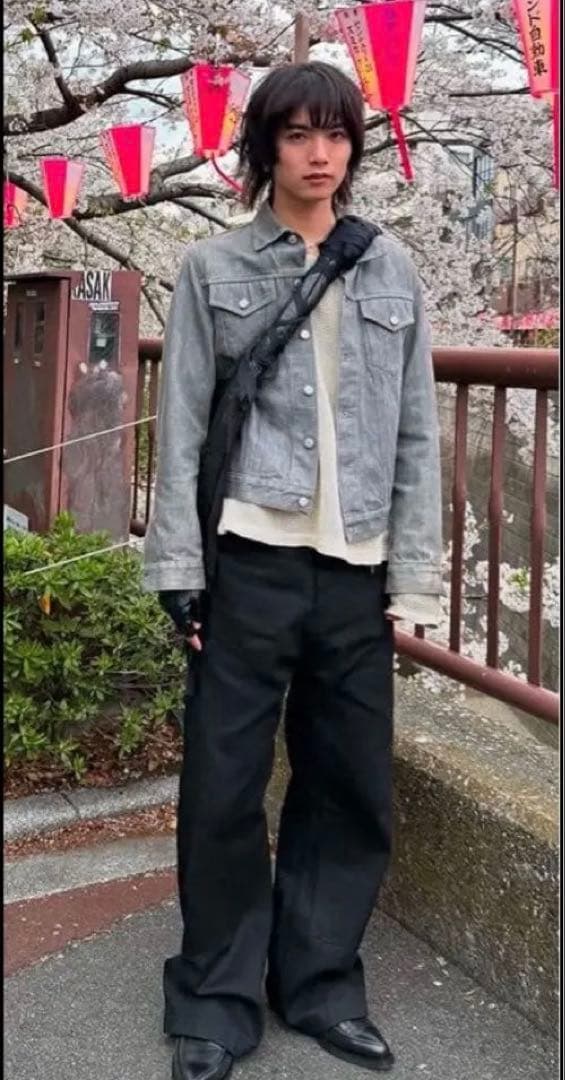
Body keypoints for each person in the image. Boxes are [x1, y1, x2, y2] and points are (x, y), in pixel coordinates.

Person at [144, 60, 443, 1080]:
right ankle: (215, 998)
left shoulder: (390, 268)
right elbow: (182, 427)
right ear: (264, 145)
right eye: (298, 134)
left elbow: (415, 434)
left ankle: (319, 984)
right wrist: (179, 568)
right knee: (223, 784)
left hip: (354, 567)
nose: (320, 154)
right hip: (249, 561)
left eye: (337, 134)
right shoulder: (211, 267)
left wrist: (412, 576)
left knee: (347, 782)